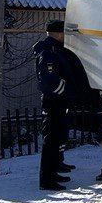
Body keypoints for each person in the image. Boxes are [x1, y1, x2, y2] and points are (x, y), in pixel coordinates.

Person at [33, 19, 74, 191]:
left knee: (56, 138)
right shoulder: (49, 52)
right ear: (57, 33)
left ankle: (53, 173)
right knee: (50, 142)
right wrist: (65, 90)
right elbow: (49, 82)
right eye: (63, 32)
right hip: (53, 102)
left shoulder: (54, 49)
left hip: (57, 102)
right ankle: (46, 180)